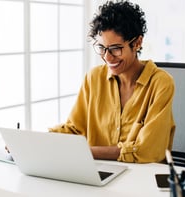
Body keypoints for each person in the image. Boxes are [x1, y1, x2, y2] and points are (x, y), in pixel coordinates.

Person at [50, 0, 175, 163]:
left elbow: (148, 150)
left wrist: (88, 152)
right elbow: (75, 129)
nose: (107, 57)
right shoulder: (93, 78)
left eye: (116, 48)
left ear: (137, 43)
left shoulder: (161, 83)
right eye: (102, 48)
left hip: (143, 179)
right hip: (98, 175)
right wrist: (36, 142)